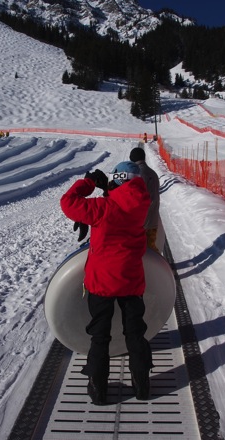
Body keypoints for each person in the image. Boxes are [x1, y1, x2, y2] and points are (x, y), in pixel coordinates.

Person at [60, 161, 153, 405]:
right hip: (131, 280)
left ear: (117, 179)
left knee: (100, 336)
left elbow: (68, 202)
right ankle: (142, 384)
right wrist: (109, 190)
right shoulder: (141, 203)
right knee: (135, 333)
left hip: (102, 282)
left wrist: (89, 182)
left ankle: (99, 389)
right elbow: (122, 202)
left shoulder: (102, 208)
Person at [129, 147, 161, 253]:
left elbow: (134, 199)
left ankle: (160, 268)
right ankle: (159, 266)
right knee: (151, 248)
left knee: (144, 252)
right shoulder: (153, 173)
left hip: (142, 223)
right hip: (153, 219)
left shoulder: (137, 174)